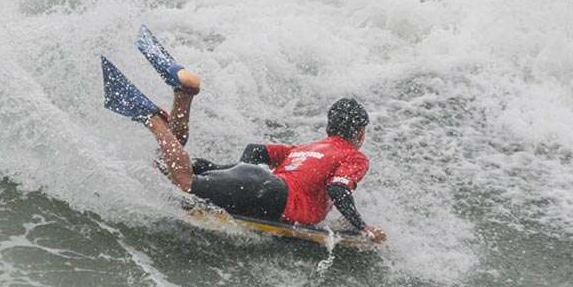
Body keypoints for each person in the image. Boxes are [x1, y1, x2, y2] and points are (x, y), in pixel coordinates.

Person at [102, 27, 385, 243]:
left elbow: (255, 150)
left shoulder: (306, 148)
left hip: (259, 180)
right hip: (270, 194)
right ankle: (153, 119)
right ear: (359, 133)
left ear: (329, 128)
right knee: (183, 181)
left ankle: (183, 95)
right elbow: (338, 188)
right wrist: (362, 227)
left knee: (165, 168)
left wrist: (242, 178)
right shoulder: (354, 156)